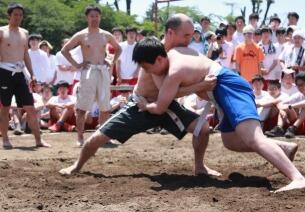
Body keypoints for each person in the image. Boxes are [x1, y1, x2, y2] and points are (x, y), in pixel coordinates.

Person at [133, 37, 305, 192]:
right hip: (220, 93)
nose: (147, 73)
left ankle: (298, 178)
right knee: (230, 140)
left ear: (158, 59)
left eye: (146, 68)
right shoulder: (174, 55)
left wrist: (146, 106)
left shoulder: (174, 70)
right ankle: (283, 148)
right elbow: (176, 91)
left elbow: (160, 107)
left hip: (228, 87)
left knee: (253, 138)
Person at [59, 13, 221, 178]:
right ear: (171, 33)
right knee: (97, 137)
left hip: (164, 105)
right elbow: (169, 90)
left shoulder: (182, 53)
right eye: (186, 35)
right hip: (140, 105)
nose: (190, 40)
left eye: (191, 35)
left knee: (203, 129)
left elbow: (171, 93)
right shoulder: (153, 51)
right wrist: (200, 86)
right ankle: (77, 165)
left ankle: (200, 166)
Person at [61, 5, 121, 146]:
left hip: (102, 71)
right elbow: (65, 50)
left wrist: (112, 61)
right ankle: (80, 137)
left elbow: (118, 49)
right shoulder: (81, 35)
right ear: (87, 17)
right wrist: (77, 64)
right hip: (88, 71)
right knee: (82, 107)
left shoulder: (106, 35)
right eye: (91, 16)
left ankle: (103, 136)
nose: (94, 18)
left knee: (105, 106)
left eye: (97, 16)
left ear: (100, 17)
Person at [0, 3, 50, 149]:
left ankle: (38, 140)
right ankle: (5, 140)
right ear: (9, 15)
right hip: (4, 72)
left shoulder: (25, 32)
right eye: (15, 14)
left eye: (20, 15)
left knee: (30, 108)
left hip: (20, 73)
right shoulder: (2, 31)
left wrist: (32, 74)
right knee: (5, 108)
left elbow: (25, 55)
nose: (18, 17)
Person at [267, 73, 305, 138]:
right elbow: (281, 102)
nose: (300, 87)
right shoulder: (298, 94)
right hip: (299, 123)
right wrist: (282, 110)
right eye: (298, 85)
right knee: (285, 107)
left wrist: (290, 106)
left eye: (302, 84)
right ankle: (279, 128)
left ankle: (293, 128)